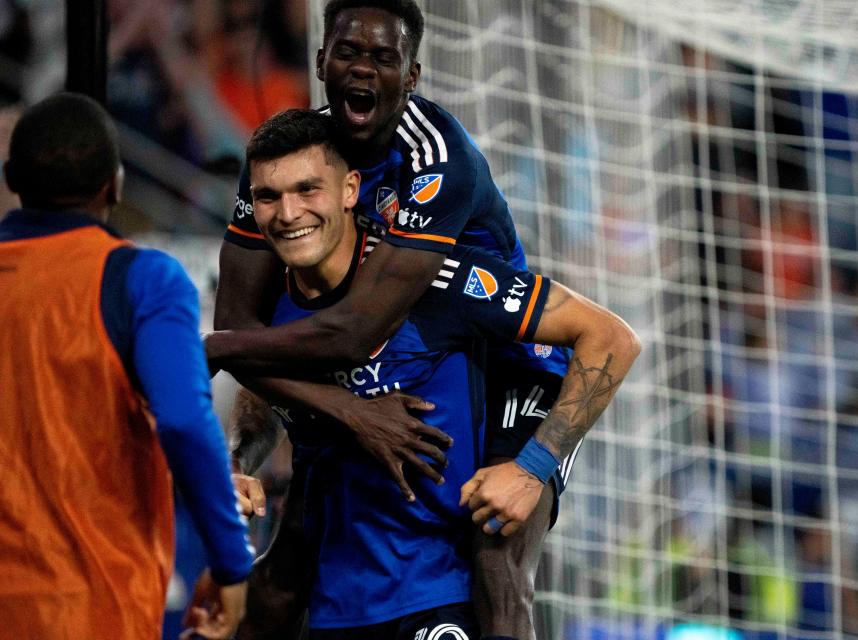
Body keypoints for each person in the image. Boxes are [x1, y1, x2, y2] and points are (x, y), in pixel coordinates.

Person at [206, 2, 580, 638]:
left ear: (411, 76)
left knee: (495, 555)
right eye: (348, 52)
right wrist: (253, 430)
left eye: (383, 57)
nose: (362, 69)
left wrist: (534, 468)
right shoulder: (288, 160)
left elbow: (349, 331)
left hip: (505, 362)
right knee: (295, 552)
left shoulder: (439, 161)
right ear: (321, 59)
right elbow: (245, 328)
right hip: (396, 354)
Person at [0, 92, 254, 639]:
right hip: (91, 602)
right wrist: (231, 561)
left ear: (12, 179)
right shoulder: (144, 280)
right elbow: (186, 421)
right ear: (114, 184)